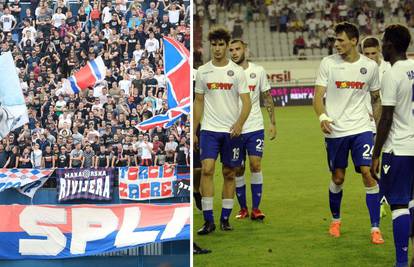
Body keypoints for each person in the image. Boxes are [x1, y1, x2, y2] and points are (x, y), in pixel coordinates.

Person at [313, 22, 383, 244]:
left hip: (362, 127)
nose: (336, 44)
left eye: (341, 40)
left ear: (353, 41)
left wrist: (378, 127)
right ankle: (336, 220)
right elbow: (317, 96)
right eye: (335, 40)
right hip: (335, 130)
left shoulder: (369, 67)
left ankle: (375, 228)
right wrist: (323, 117)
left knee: (367, 172)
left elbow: (376, 98)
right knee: (338, 177)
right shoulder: (328, 63)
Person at [194, 26, 251, 235]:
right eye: (214, 45)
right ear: (210, 46)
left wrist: (239, 123)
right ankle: (208, 221)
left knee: (229, 173)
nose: (217, 49)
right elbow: (198, 101)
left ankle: (225, 218)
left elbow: (247, 103)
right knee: (207, 169)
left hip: (232, 132)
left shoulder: (237, 72)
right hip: (209, 130)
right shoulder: (203, 71)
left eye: (221, 45)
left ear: (227, 46)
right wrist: (194, 130)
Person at [370, 24, 414, 267]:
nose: (382, 46)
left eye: (384, 41)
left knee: (398, 205)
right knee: (413, 201)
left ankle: (400, 262)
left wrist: (376, 153)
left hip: (399, 149)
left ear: (391, 45)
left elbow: (386, 118)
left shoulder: (392, 73)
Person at [229, 39, 276, 220]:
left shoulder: (258, 71)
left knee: (255, 165)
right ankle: (243, 209)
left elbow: (267, 96)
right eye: (231, 50)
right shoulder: (227, 73)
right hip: (234, 127)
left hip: (255, 126)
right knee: (238, 169)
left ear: (245, 50)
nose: (234, 52)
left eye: (237, 49)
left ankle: (256, 209)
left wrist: (273, 123)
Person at [361, 36, 392, 217]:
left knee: (390, 163)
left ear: (379, 51)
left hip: (390, 122)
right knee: (372, 164)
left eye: (374, 53)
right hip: (368, 123)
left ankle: (391, 195)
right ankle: (380, 201)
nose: (371, 57)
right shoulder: (360, 69)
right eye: (367, 54)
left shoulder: (388, 68)